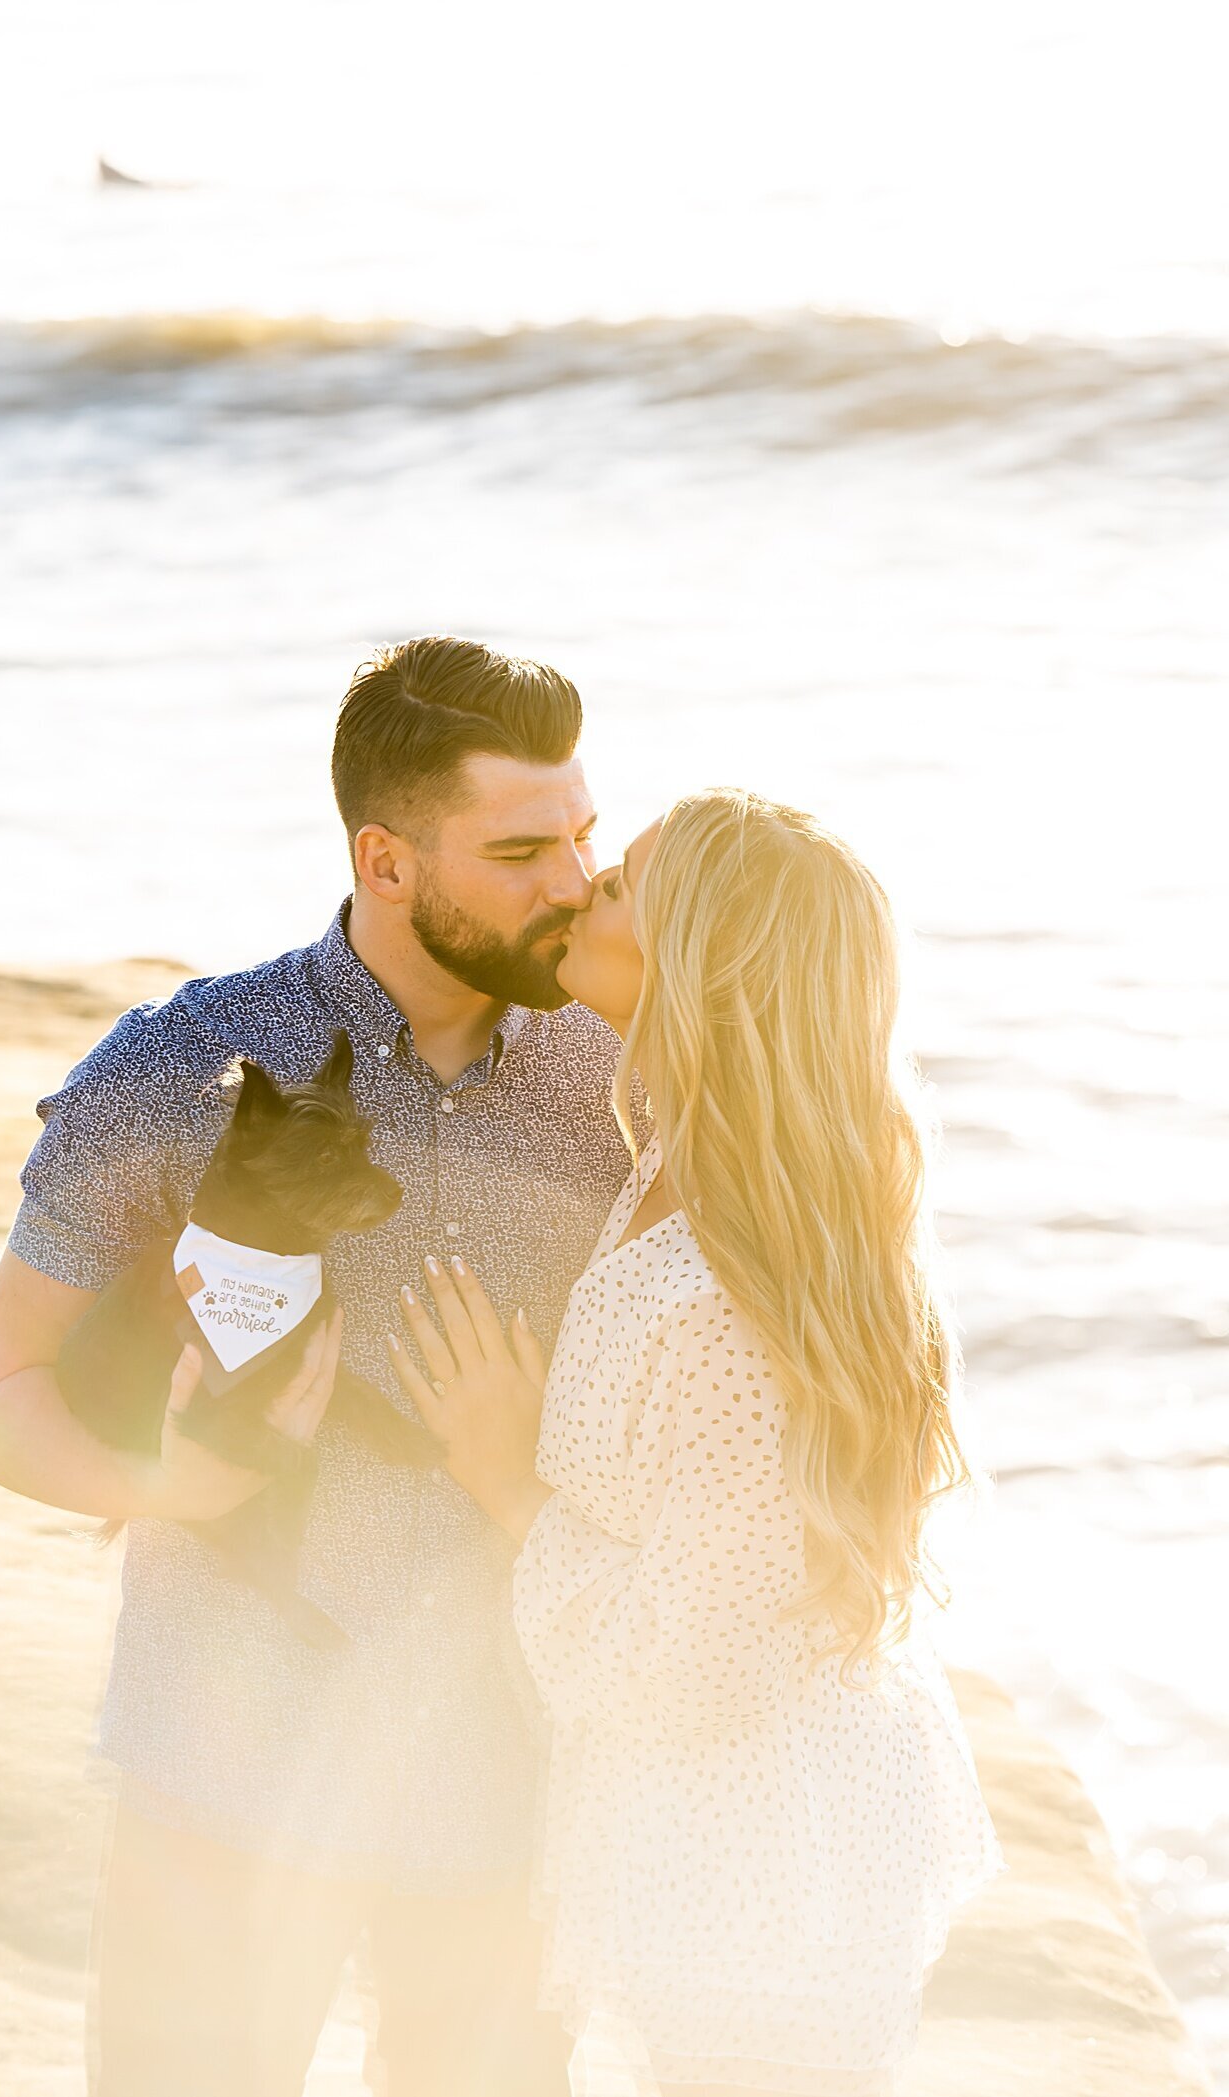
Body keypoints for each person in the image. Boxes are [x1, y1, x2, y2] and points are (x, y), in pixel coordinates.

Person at [0, 636, 647, 2097]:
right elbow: (1, 1396)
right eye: (522, 848)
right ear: (385, 860)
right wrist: (174, 1477)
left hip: (508, 1772)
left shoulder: (627, 1076)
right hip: (224, 1762)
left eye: (584, 835)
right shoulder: (175, 1065)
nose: (576, 881)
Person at [387, 789, 1009, 2096]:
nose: (577, 891)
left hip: (765, 1865)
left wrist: (511, 1484)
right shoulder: (670, 1164)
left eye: (618, 885)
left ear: (700, 960)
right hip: (726, 1837)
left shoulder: (726, 1297)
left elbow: (697, 1660)